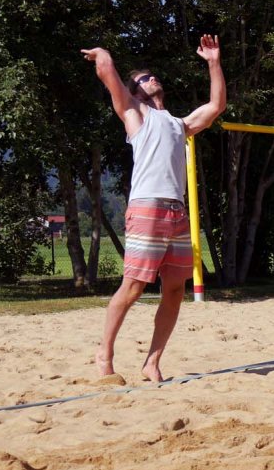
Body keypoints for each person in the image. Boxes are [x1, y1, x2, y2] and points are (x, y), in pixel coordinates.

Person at [81, 34, 225, 382]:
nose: (151, 79)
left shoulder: (179, 124)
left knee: (175, 289)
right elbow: (108, 76)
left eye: (151, 76)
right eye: (143, 79)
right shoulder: (134, 112)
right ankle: (105, 355)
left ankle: (152, 362)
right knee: (133, 287)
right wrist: (104, 54)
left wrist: (213, 62)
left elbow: (216, 106)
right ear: (135, 90)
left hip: (177, 212)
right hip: (147, 208)